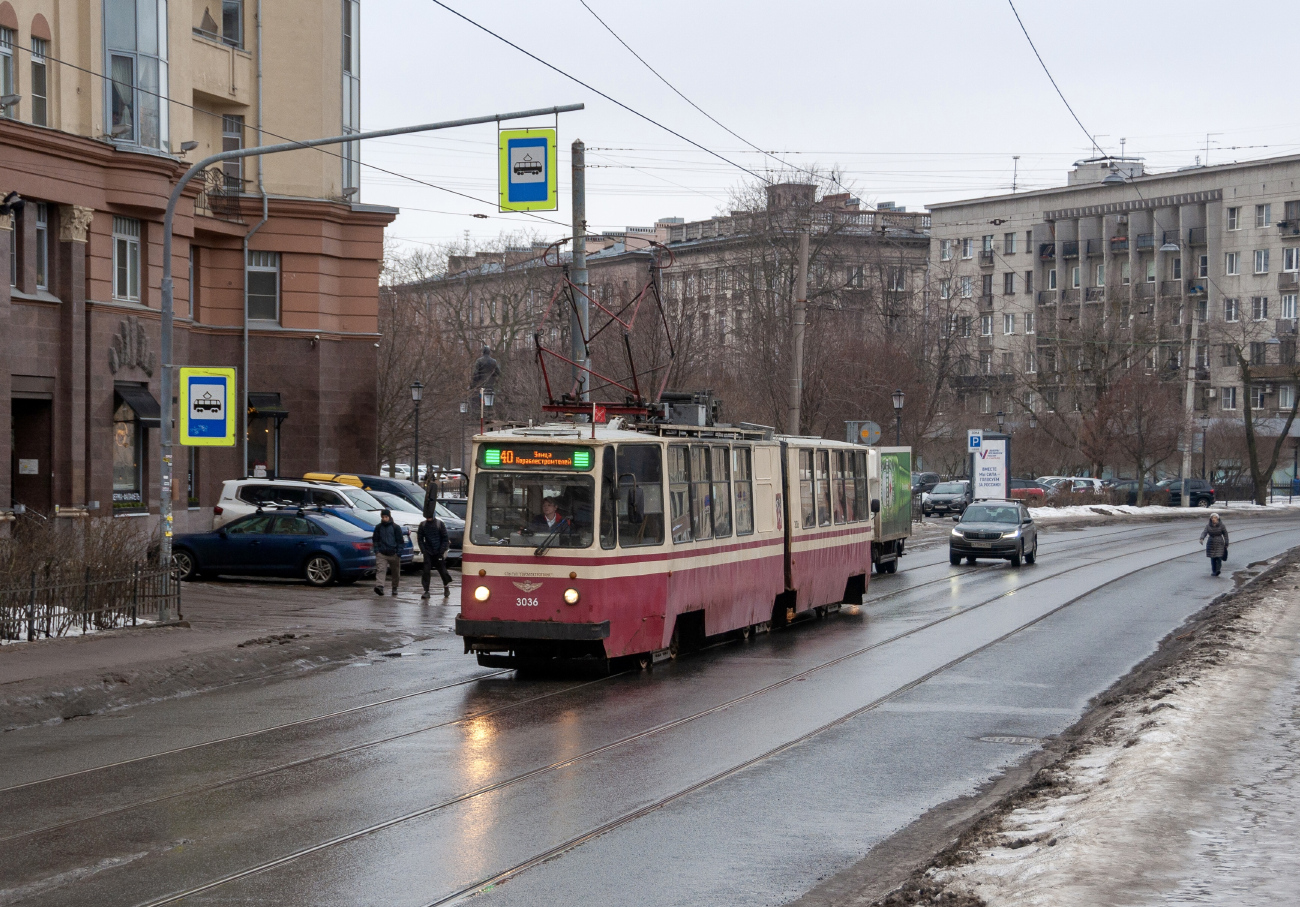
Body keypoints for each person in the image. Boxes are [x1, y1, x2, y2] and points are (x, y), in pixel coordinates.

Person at [418, 513, 452, 599]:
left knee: (443, 571)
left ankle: (446, 586)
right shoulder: (423, 525)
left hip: (438, 551)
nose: (428, 518)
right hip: (428, 551)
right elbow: (420, 538)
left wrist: (441, 551)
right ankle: (426, 591)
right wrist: (424, 550)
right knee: (426, 571)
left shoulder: (439, 524)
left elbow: (445, 538)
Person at [372, 509, 404, 596]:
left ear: (389, 517)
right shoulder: (378, 527)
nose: (384, 519)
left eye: (386, 517)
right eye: (383, 517)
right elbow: (375, 540)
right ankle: (379, 587)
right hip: (382, 553)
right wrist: (377, 551)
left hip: (393, 553)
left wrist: (398, 553)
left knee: (395, 572)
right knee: (381, 570)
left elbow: (400, 541)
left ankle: (394, 587)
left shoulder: (395, 527)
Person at [1200, 512, 1229, 577]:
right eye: (1212, 518)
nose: (1214, 519)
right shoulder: (1208, 526)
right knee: (1213, 558)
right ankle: (1213, 571)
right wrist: (1201, 538)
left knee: (1219, 557)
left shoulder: (1222, 526)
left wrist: (1226, 543)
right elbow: (1204, 532)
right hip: (1211, 543)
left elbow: (1225, 535)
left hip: (1219, 543)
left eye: (1215, 518)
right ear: (1210, 519)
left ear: (1218, 519)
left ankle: (1218, 570)